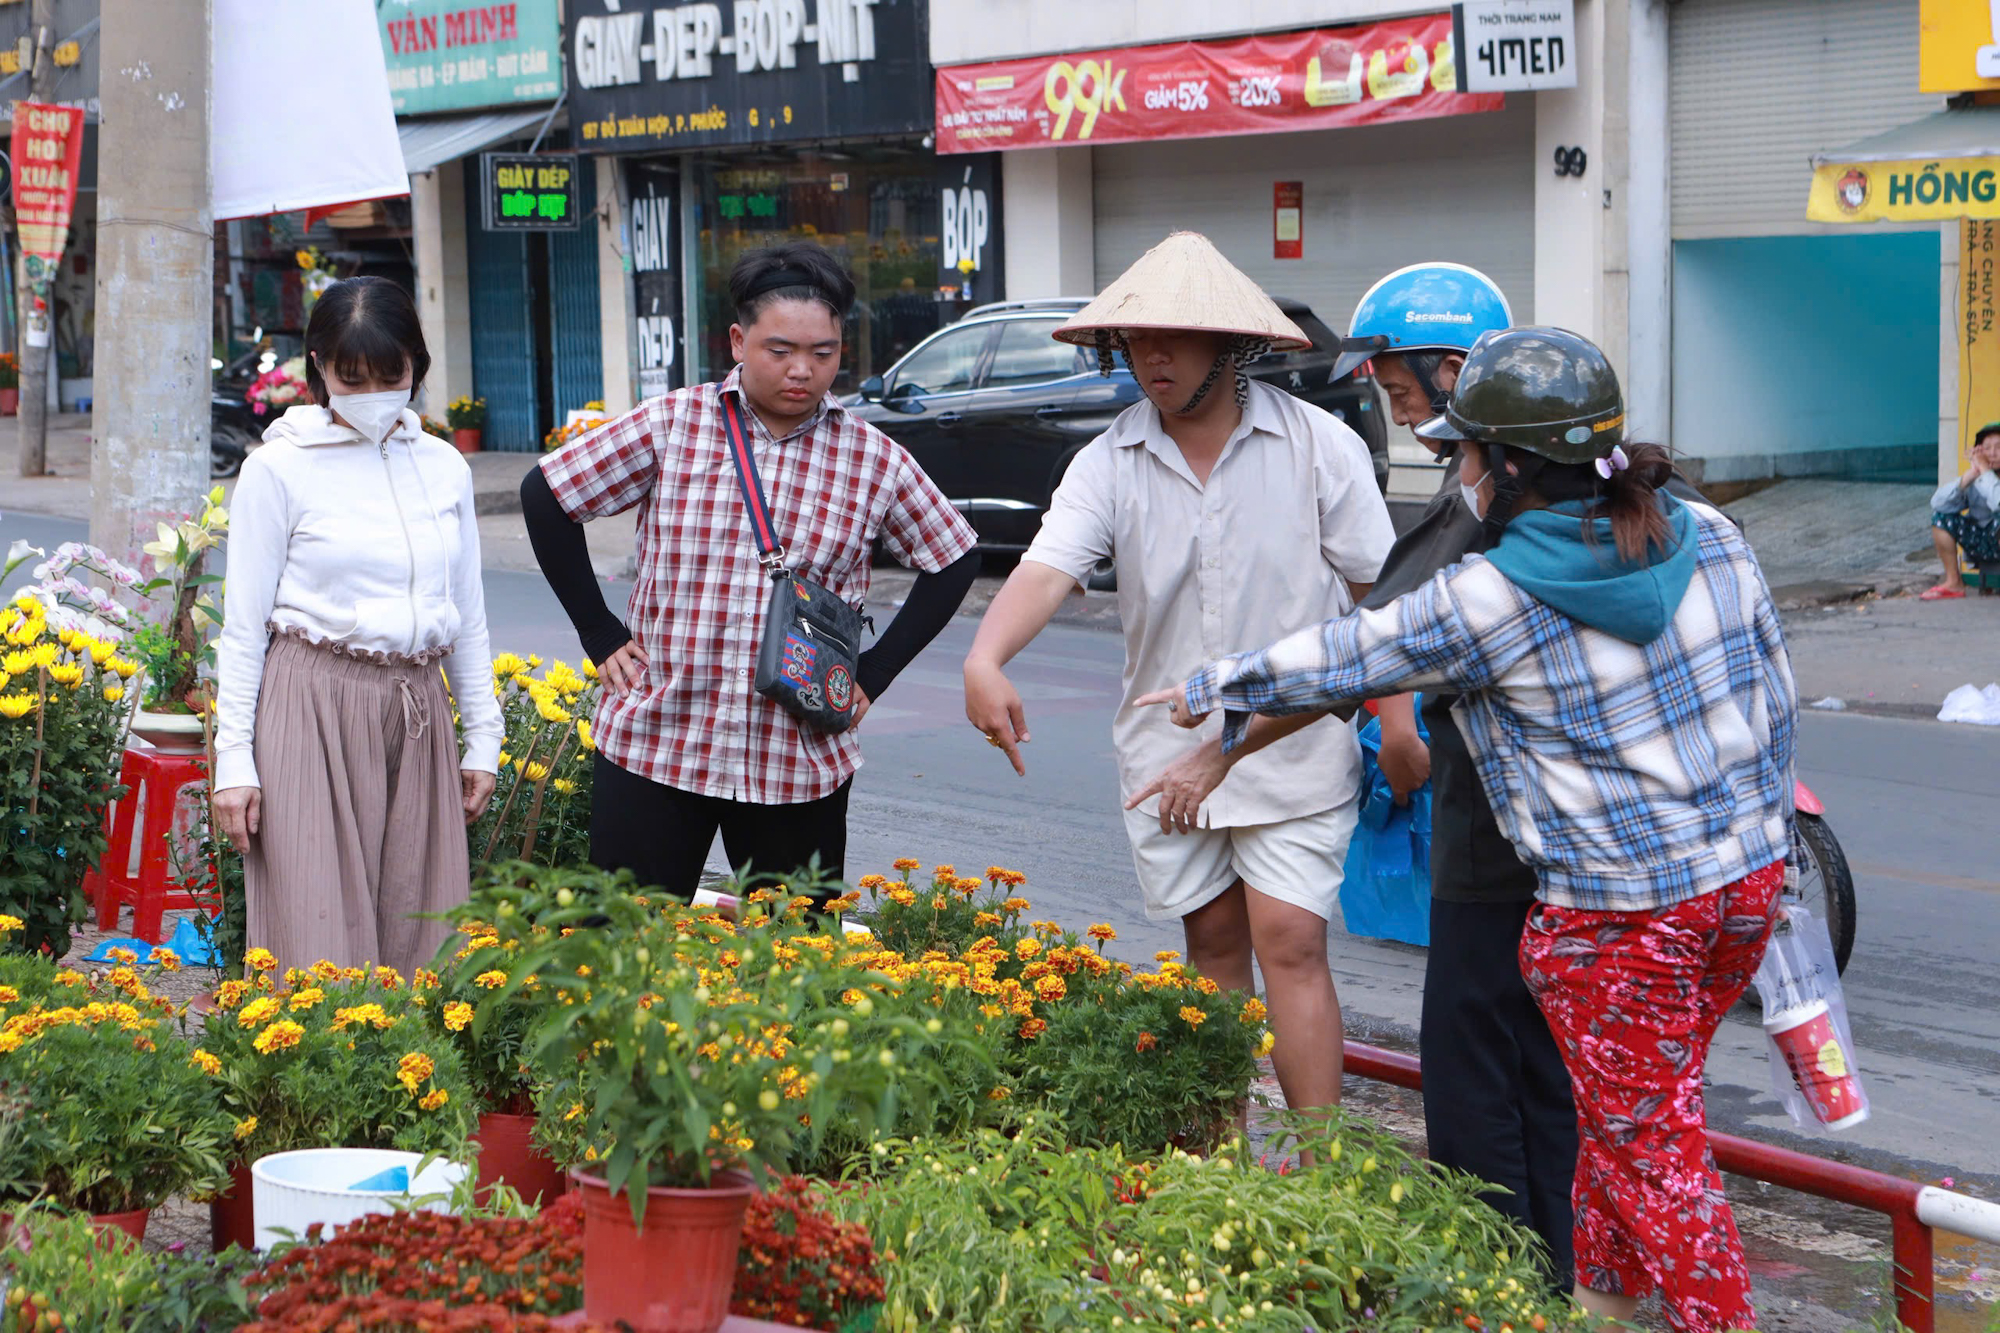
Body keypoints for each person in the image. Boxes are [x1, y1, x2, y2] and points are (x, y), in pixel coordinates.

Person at [1136, 327, 1796, 1333]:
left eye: (1465, 454)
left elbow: (1350, 652)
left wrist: (1202, 688)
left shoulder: (1494, 595)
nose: (1460, 472)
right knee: (1625, 1126)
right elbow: (1771, 700)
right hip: (1742, 888)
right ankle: (1597, 1313)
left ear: (1508, 466)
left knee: (1653, 1154)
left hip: (1618, 921)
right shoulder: (1709, 533)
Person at [962, 231, 1395, 1115]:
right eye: (1134, 339)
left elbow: (1381, 603)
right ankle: (1222, 1160)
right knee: (1215, 946)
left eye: (1174, 337)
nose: (1150, 357)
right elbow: (1048, 570)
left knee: (1292, 939)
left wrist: (1399, 720)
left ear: (1229, 345)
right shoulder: (1107, 461)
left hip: (1295, 743)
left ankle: (1325, 1173)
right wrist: (984, 654)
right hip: (1170, 755)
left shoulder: (1319, 447)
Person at [521, 242, 979, 900]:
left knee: (794, 966)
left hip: (796, 758)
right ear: (738, 340)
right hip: (659, 741)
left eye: (822, 354)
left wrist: (874, 676)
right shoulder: (673, 425)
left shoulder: (870, 456)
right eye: (780, 350)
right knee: (620, 948)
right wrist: (597, 629)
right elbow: (548, 495)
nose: (803, 370)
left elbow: (955, 556)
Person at [1325, 262, 1580, 1287]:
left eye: (1396, 389)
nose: (1396, 413)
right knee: (1539, 1072)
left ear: (1449, 371)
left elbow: (1374, 640)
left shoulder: (1496, 500)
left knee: (1478, 1073)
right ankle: (1550, 1280)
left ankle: (1504, 1286)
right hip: (1572, 849)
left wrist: (1226, 723)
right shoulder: (1582, 487)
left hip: (1501, 840)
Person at [212, 277, 503, 977]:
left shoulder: (443, 468)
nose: (371, 391)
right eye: (351, 375)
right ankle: (311, 1088)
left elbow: (466, 608)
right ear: (317, 365)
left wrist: (484, 737)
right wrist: (233, 761)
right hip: (310, 702)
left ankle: (413, 1087)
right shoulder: (277, 470)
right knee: (315, 938)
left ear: (417, 365)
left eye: (390, 373)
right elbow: (244, 625)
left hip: (417, 707)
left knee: (423, 929)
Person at [1921, 425, 2000, 600]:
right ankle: (1953, 582)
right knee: (1941, 517)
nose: (1993, 453)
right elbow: (1938, 503)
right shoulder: (1977, 479)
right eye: (1986, 448)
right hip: (1983, 543)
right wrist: (1970, 475)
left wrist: (1985, 472)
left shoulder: (1985, 477)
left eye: (1999, 447)